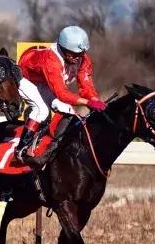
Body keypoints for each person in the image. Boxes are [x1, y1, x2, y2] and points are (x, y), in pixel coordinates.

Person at [15, 25, 105, 159]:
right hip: (26, 79)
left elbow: (86, 87)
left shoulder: (83, 59)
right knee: (42, 110)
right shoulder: (51, 59)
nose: (77, 57)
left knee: (68, 110)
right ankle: (21, 149)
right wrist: (87, 102)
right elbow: (61, 94)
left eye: (80, 54)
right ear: (62, 48)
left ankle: (53, 147)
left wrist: (96, 101)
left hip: (45, 83)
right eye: (73, 54)